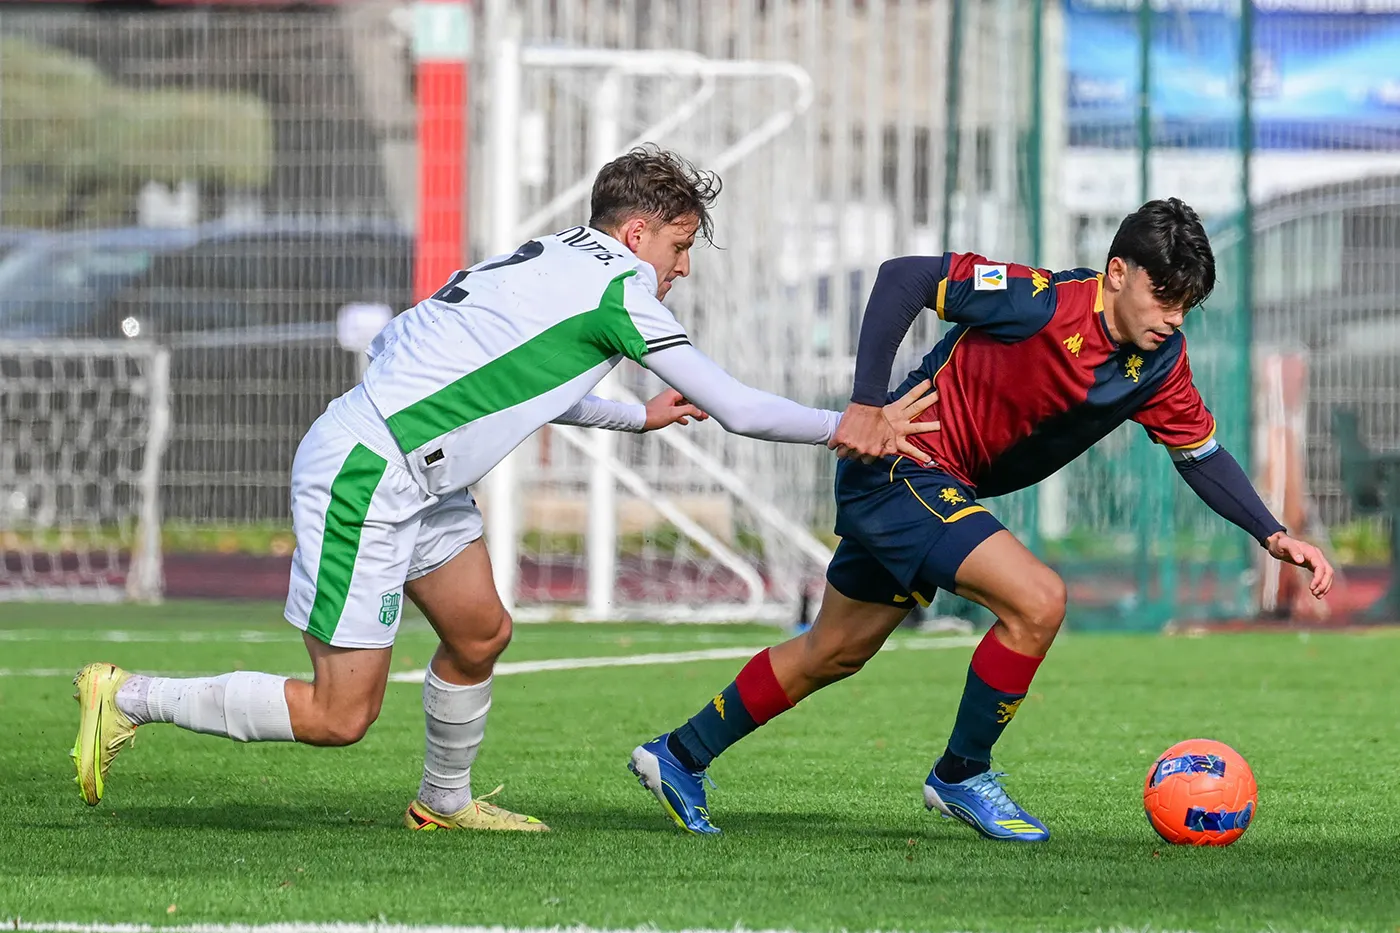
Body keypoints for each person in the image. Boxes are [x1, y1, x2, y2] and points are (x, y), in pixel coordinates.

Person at [70, 145, 936, 831]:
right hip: (372, 473)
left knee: (480, 632)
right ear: (639, 234)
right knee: (341, 715)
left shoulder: (554, 259)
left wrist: (637, 419)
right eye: (679, 246)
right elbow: (739, 407)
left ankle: (444, 802)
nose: (682, 269)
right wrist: (846, 422)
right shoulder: (620, 290)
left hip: (412, 470)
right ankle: (127, 695)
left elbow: (509, 379)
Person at [629, 197, 1334, 839]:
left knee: (833, 650)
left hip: (932, 486)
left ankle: (678, 754)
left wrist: (1271, 532)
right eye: (1164, 296)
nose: (1173, 317)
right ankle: (962, 773)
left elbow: (1199, 455)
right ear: (1118, 271)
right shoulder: (1036, 300)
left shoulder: (1159, 360)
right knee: (1039, 599)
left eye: (1187, 305)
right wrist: (867, 403)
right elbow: (903, 276)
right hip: (901, 465)